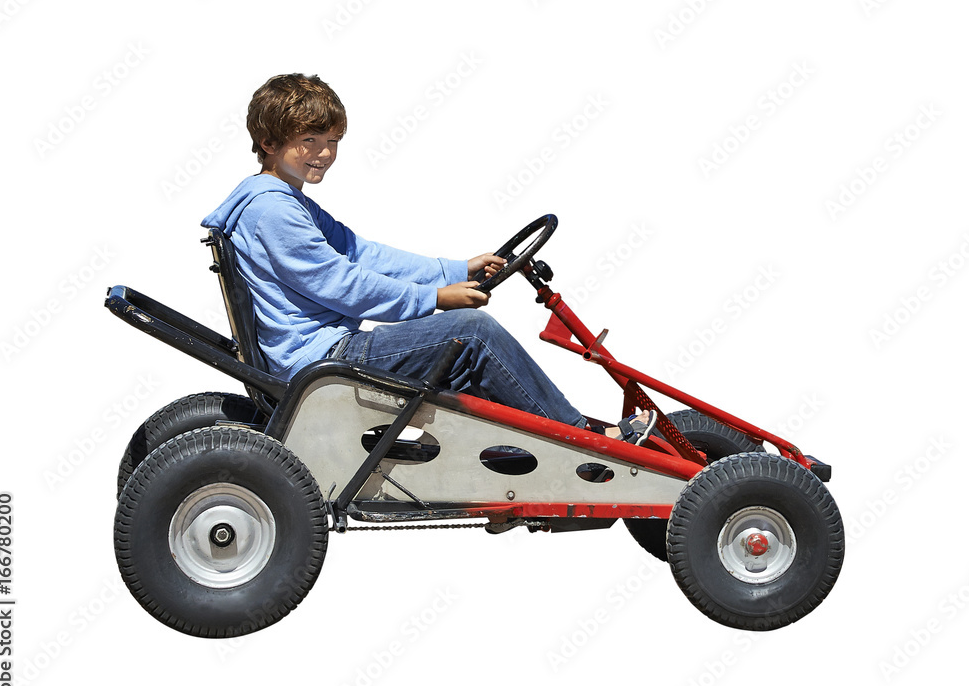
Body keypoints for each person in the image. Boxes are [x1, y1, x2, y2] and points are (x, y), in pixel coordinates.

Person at [202, 73, 648, 438]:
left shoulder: (281, 199)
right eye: (309, 139)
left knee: (460, 355)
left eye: (333, 140)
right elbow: (342, 285)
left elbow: (361, 253)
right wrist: (436, 298)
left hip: (318, 352)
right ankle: (586, 442)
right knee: (471, 333)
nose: (324, 153)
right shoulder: (273, 209)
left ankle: (514, 467)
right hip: (320, 362)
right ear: (268, 141)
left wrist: (454, 269)